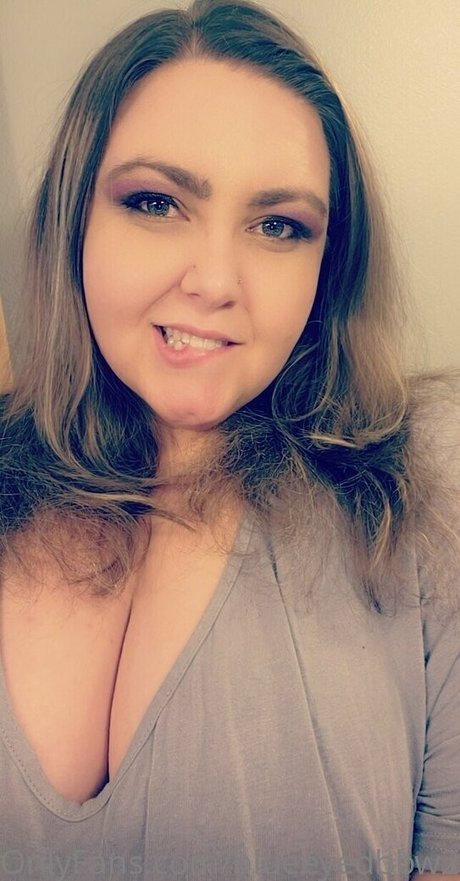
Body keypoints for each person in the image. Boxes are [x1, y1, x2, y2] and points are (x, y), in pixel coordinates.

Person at [0, 0, 459, 878]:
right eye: (156, 202)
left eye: (278, 225)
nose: (215, 280)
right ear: (74, 220)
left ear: (328, 265)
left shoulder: (430, 485)